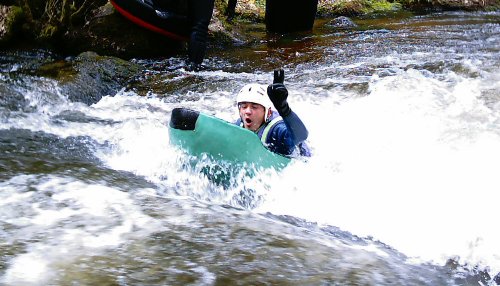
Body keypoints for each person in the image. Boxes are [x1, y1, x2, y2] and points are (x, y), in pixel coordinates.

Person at [235, 69, 311, 157]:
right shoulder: (239, 125)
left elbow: (302, 136)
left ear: (268, 112)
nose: (247, 111)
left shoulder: (278, 129)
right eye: (244, 107)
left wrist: (284, 109)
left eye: (254, 107)